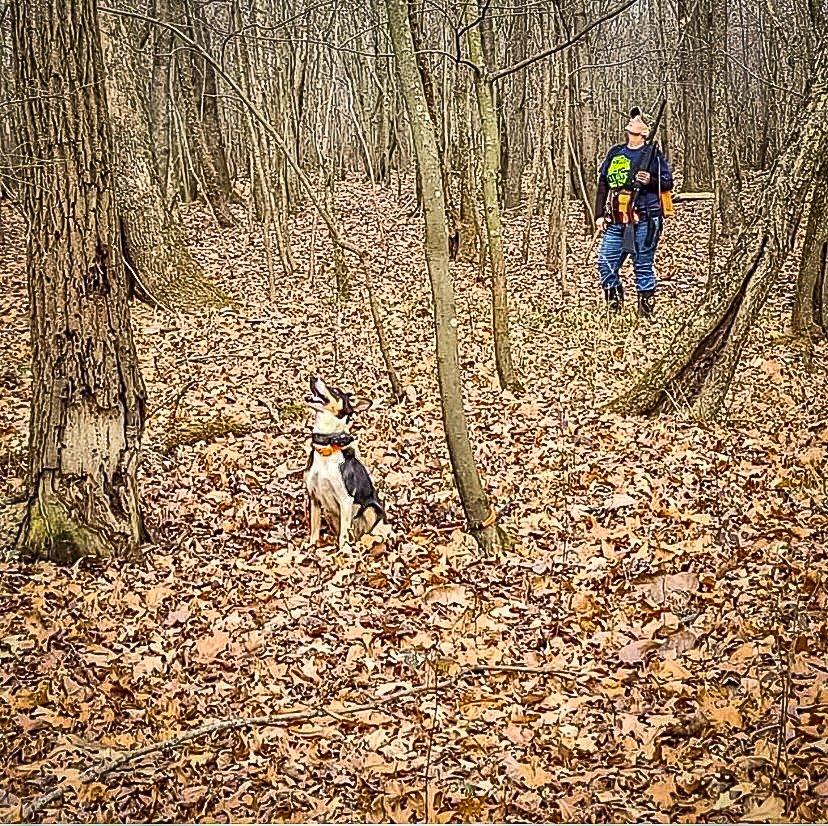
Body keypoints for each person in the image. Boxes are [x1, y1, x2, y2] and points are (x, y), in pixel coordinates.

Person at [594, 107, 674, 318]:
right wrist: (599, 215)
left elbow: (668, 182)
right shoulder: (615, 152)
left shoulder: (654, 155)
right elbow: (603, 184)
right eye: (632, 118)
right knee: (605, 263)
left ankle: (645, 315)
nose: (633, 120)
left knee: (642, 265)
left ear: (645, 131)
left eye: (638, 119)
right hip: (617, 219)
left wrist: (650, 181)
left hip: (646, 219)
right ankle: (614, 308)